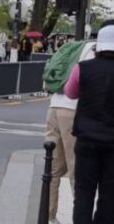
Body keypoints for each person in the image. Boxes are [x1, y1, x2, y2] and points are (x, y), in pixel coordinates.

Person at [63, 21, 114, 224]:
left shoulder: (82, 68)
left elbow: (70, 92)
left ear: (98, 46)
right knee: (109, 195)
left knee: (84, 192)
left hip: (86, 138)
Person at [45, 37, 96, 224]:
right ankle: (81, 217)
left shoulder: (77, 46)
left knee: (52, 167)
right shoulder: (95, 51)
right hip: (72, 109)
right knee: (77, 168)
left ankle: (48, 215)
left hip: (53, 107)